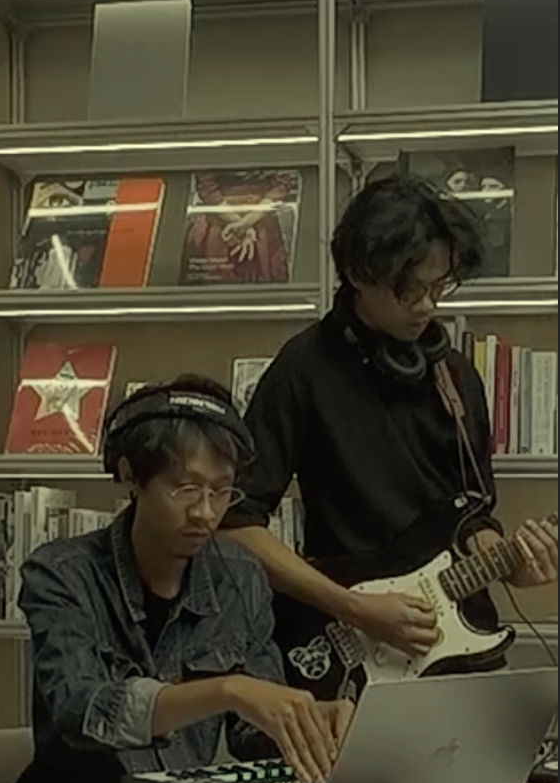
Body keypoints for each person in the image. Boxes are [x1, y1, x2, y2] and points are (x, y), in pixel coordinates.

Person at [0, 375, 353, 783]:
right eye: (185, 488)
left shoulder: (239, 576)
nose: (206, 512)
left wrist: (312, 725)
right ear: (130, 476)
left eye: (221, 491)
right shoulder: (62, 574)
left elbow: (252, 733)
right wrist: (226, 689)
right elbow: (80, 708)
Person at [221, 173, 559, 700]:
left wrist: (513, 560)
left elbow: (472, 517)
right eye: (409, 289)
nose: (428, 306)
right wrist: (353, 607)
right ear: (360, 273)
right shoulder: (303, 369)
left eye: (439, 286)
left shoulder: (456, 376)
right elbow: (234, 523)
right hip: (355, 650)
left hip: (463, 644)